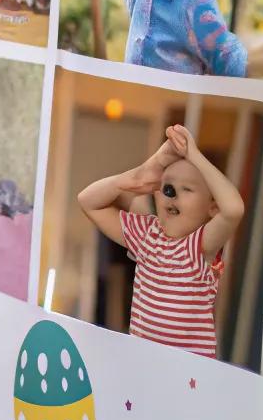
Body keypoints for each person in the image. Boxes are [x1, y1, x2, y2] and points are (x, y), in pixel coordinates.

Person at [77, 123, 245, 357]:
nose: (171, 194)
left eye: (186, 189)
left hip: (189, 375)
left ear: (212, 207)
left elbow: (234, 209)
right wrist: (144, 172)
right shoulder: (147, 235)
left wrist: (194, 155)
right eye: (167, 187)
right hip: (144, 363)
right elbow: (87, 201)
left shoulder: (200, 246)